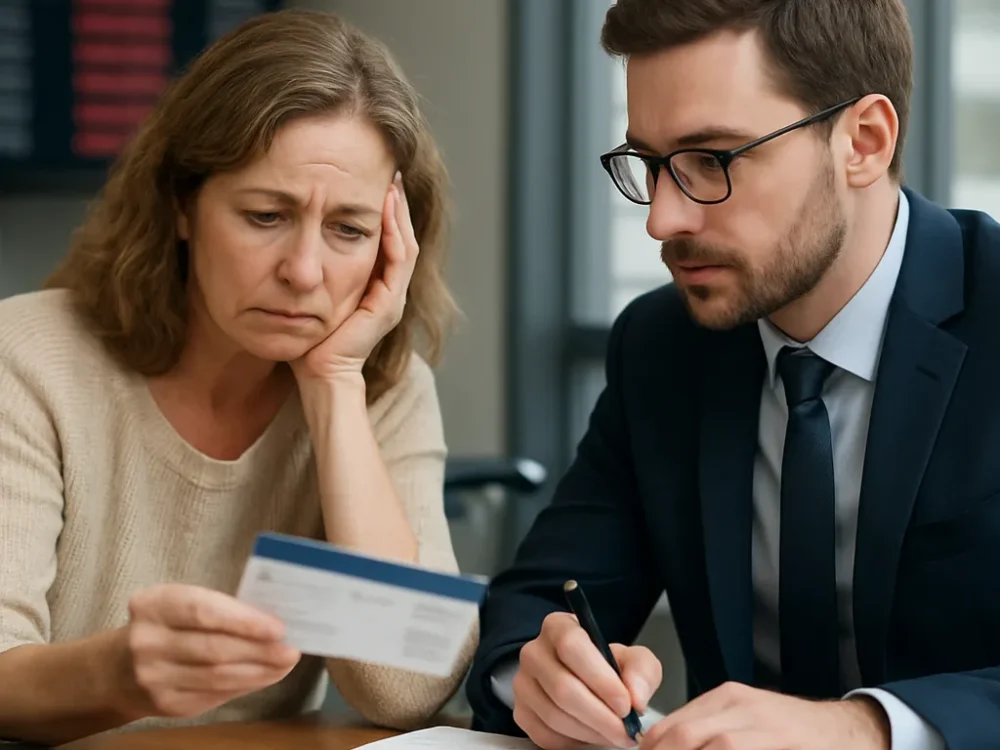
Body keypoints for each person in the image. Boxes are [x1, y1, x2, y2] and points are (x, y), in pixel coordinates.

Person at [467, 1, 1000, 749]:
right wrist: (540, 674)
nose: (662, 219)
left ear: (864, 141)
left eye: (710, 161)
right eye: (650, 165)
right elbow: (539, 600)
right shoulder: (662, 346)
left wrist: (862, 729)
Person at [0, 9, 476, 745]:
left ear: (392, 248)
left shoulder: (383, 386)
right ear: (182, 205)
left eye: (349, 230)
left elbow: (405, 689)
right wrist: (120, 675)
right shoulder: (26, 358)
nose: (304, 272)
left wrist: (334, 386)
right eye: (264, 215)